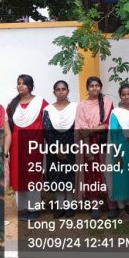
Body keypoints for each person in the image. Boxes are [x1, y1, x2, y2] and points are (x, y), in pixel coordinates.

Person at [6, 74, 49, 220]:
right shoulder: (12, 104)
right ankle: (24, 207)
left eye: (24, 83)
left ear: (30, 86)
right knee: (19, 174)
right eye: (18, 83)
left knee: (33, 174)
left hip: (34, 144)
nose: (20, 86)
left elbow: (49, 120)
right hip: (17, 145)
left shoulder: (40, 102)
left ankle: (34, 209)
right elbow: (8, 126)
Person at [75, 76, 116, 219]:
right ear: (87, 88)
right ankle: (95, 206)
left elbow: (109, 124)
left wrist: (92, 130)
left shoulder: (107, 102)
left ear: (101, 87)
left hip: (105, 141)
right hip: (88, 144)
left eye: (97, 85)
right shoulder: (81, 105)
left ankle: (112, 205)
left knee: (107, 174)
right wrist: (87, 150)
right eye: (91, 86)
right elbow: (81, 128)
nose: (94, 88)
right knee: (92, 176)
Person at [43, 80, 78, 219]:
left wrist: (67, 148)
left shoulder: (75, 107)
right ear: (54, 92)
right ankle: (60, 205)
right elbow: (47, 131)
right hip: (54, 147)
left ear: (68, 91)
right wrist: (57, 149)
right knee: (57, 177)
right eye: (58, 89)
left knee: (69, 176)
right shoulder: (48, 110)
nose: (61, 91)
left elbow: (77, 127)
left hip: (72, 146)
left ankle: (69, 206)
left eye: (64, 89)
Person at [109, 84, 129, 216]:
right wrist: (117, 154)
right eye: (123, 94)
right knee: (121, 176)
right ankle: (121, 208)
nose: (126, 96)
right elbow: (113, 134)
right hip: (121, 148)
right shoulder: (116, 113)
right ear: (120, 97)